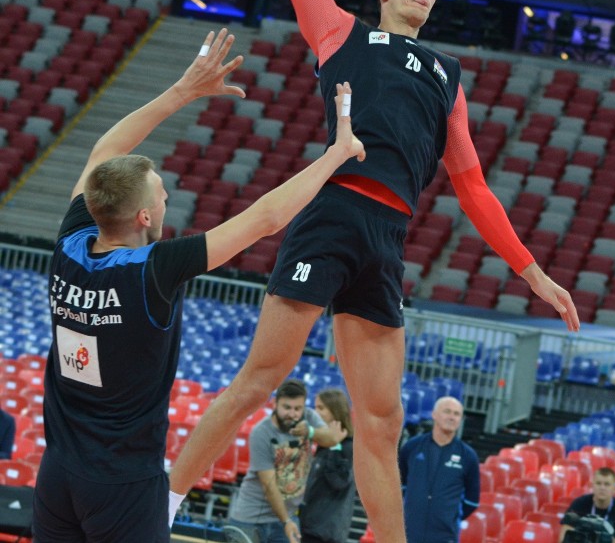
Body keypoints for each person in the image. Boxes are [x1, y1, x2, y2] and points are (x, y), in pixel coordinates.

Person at [168, 0, 580, 543]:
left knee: (382, 422)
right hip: (331, 215)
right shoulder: (340, 31)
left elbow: (473, 188)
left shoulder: (448, 75)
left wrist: (534, 273)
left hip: (387, 237)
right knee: (259, 382)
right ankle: (160, 507)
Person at [31, 27, 365, 543]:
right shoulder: (153, 268)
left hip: (56, 476)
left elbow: (104, 149)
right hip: (122, 485)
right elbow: (266, 218)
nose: (168, 198)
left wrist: (183, 90)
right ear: (144, 214)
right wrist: (337, 154)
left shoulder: (71, 243)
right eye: (161, 193)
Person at [224, 379, 344, 543]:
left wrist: (309, 431)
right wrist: (286, 521)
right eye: (286, 407)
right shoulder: (261, 432)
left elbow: (330, 439)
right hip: (251, 519)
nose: (292, 414)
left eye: (297, 409)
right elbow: (269, 485)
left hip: (286, 518)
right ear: (275, 404)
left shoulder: (308, 417)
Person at [398, 396, 480, 543]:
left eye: (456, 414)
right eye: (447, 411)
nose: (452, 417)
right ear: (434, 414)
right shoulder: (412, 447)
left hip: (445, 536)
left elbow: (472, 501)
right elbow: (399, 486)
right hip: (408, 532)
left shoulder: (468, 456)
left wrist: (447, 515)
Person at [299, 388, 357, 543]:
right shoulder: (325, 445)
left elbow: (339, 481)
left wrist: (334, 445)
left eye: (321, 408)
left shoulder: (348, 447)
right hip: (310, 525)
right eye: (315, 406)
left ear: (335, 411)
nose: (315, 412)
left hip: (326, 532)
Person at [560, 467, 615, 543]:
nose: (602, 488)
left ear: (614, 489)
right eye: (598, 483)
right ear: (592, 486)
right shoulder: (579, 504)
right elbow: (564, 538)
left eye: (607, 484)